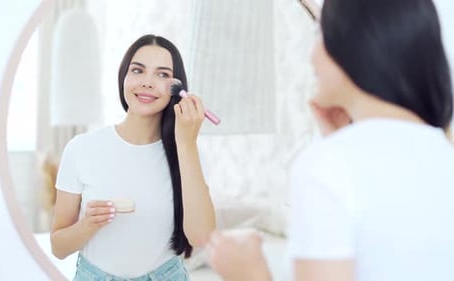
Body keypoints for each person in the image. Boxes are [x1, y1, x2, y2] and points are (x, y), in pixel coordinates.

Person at [207, 0, 454, 280]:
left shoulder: (325, 166)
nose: (311, 54)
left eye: (319, 33)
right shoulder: (444, 153)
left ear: (356, 43)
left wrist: (249, 273)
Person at [50, 34, 216, 281]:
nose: (147, 82)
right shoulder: (81, 148)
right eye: (138, 70)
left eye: (162, 74)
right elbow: (58, 247)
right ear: (124, 78)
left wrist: (186, 142)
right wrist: (88, 225)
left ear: (178, 90)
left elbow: (202, 237)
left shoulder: (188, 154)